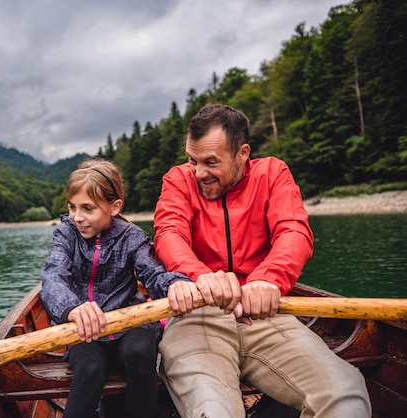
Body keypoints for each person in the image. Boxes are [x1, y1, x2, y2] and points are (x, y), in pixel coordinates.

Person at [153, 103, 371, 418]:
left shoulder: (272, 173)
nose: (198, 173)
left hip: (267, 315)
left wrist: (267, 280)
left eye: (211, 162)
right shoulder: (178, 180)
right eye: (192, 160)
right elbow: (168, 233)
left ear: (243, 153)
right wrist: (201, 277)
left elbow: (293, 231)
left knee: (346, 395)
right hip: (197, 315)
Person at [40, 158, 191, 418]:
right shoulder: (65, 235)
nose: (77, 217)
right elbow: (53, 276)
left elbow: (152, 274)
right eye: (72, 207)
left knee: (140, 352)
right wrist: (72, 308)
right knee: (89, 368)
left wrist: (175, 285)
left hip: (129, 324)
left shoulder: (131, 236)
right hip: (83, 330)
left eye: (87, 208)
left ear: (114, 206)